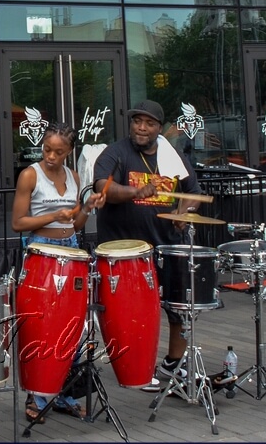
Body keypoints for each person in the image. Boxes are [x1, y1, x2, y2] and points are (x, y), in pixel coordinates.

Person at [92, 100, 208, 392]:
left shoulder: (172, 156)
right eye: (137, 122)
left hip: (168, 244)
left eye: (149, 123)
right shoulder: (115, 154)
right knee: (138, 312)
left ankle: (173, 363)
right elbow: (101, 187)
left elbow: (193, 192)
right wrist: (136, 191)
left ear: (159, 127)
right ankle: (138, 367)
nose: (141, 128)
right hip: (128, 251)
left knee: (179, 306)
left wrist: (185, 211)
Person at [11, 121, 105, 422]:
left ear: (68, 152)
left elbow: (75, 224)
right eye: (47, 149)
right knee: (44, 327)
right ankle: (37, 397)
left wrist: (87, 207)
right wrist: (53, 214)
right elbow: (18, 223)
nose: (51, 156)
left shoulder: (74, 177)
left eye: (58, 152)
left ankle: (62, 394)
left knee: (75, 328)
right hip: (42, 251)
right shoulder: (30, 175)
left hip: (72, 250)